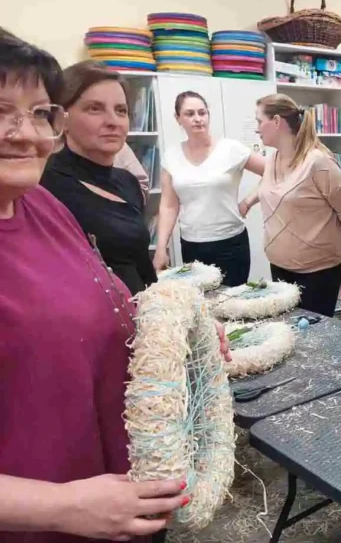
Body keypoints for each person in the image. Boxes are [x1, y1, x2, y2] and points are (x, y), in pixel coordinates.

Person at [0, 28, 191, 543]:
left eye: (40, 113)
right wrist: (59, 507)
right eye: (0, 111)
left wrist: (174, 334)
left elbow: (104, 296)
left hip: (116, 496)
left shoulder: (40, 203)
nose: (26, 133)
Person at [40, 61, 154, 295]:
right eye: (95, 108)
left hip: (145, 320)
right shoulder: (44, 187)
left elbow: (141, 264)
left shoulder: (128, 182)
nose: (112, 121)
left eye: (121, 110)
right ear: (62, 119)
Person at [245, 93, 341, 317]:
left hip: (318, 271)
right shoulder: (274, 158)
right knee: (289, 334)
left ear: (276, 121)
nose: (257, 128)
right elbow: (274, 185)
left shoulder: (318, 162)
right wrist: (247, 201)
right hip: (280, 265)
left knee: (313, 339)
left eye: (259, 121)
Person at [153, 91, 265, 286]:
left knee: (232, 307)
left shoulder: (231, 149)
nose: (197, 119)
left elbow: (274, 172)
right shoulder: (171, 156)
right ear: (178, 118)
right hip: (192, 246)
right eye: (189, 114)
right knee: (202, 307)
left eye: (202, 113)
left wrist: (248, 201)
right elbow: (169, 206)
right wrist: (161, 248)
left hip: (230, 243)